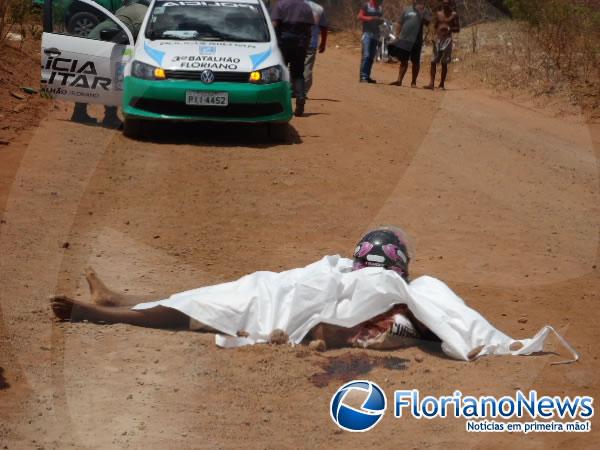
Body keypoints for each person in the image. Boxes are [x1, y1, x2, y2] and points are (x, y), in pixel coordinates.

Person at [49, 227, 435, 350]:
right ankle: (119, 301)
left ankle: (101, 313)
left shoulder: (388, 295)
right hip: (282, 290)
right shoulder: (396, 292)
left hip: (278, 297)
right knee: (211, 300)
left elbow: (334, 327)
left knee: (211, 305)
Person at [71, 0, 150, 128]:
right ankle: (110, 117)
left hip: (93, 41)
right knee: (114, 79)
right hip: (106, 43)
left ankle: (79, 112)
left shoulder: (128, 7)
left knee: (89, 78)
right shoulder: (145, 13)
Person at [271, 0, 315, 117]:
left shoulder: (281, 5)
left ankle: (280, 103)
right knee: (298, 74)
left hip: (283, 44)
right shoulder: (306, 7)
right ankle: (300, 97)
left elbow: (274, 25)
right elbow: (309, 28)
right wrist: (305, 45)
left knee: (281, 74)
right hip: (300, 44)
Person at [388, 0, 430, 87]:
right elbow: (400, 23)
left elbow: (428, 23)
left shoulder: (425, 10)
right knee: (403, 60)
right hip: (405, 39)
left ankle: (413, 82)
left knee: (415, 61)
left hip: (417, 41)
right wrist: (397, 36)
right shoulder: (406, 10)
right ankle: (399, 80)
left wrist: (421, 13)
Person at [424, 0, 459, 90]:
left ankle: (442, 84)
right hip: (438, 39)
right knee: (433, 61)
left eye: (447, 4)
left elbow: (457, 28)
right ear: (442, 4)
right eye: (444, 3)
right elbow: (435, 26)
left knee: (444, 62)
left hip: (447, 40)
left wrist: (450, 29)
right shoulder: (438, 14)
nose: (445, 5)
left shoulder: (454, 15)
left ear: (450, 4)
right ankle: (431, 83)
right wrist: (432, 36)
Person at [303, 0, 328, 97]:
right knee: (307, 67)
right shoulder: (318, 8)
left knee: (293, 65)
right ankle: (303, 91)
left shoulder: (294, 5)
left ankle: (292, 89)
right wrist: (323, 43)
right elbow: (324, 27)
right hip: (311, 43)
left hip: (296, 41)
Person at [357, 0, 384, 84]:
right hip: (367, 33)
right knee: (366, 55)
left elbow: (380, 20)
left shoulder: (380, 8)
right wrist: (371, 18)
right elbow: (359, 16)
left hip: (376, 34)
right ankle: (363, 76)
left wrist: (381, 21)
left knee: (371, 57)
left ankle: (367, 76)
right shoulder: (366, 5)